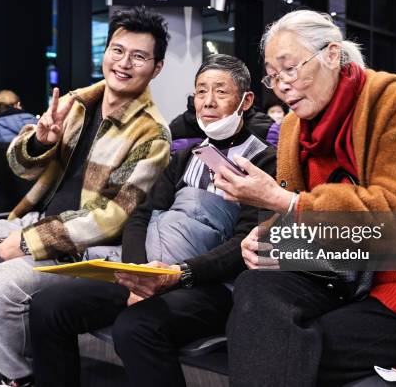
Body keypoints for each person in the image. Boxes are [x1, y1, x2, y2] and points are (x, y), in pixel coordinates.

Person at [212, 10, 396, 386]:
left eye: (290, 68)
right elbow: (299, 211)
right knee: (256, 290)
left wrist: (285, 203)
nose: (282, 85)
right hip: (338, 275)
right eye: (273, 75)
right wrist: (268, 235)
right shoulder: (292, 127)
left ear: (332, 55)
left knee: (288, 348)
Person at [0, 6, 172, 387]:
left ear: (157, 67)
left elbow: (110, 216)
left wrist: (33, 242)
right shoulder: (76, 105)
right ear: (106, 52)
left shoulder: (152, 135)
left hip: (91, 251)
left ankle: (19, 378)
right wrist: (40, 140)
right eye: (117, 50)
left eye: (139, 56)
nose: (124, 63)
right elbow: (20, 167)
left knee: (0, 285)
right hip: (34, 222)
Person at [28, 54, 276, 387]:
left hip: (209, 283)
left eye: (220, 91)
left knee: (135, 328)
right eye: (201, 92)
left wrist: (178, 275)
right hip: (151, 272)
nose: (208, 102)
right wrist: (138, 275)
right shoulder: (185, 156)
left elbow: (245, 243)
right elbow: (140, 215)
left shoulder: (263, 162)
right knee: (49, 306)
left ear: (246, 100)